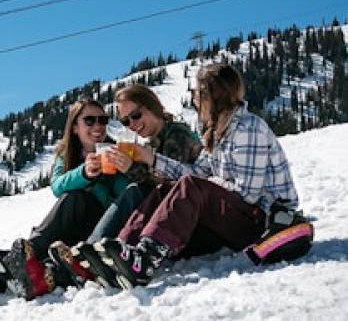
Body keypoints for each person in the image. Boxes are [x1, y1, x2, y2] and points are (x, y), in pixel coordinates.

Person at [95, 63, 299, 289]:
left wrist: (205, 185)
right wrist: (153, 159)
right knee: (166, 188)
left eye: (196, 93)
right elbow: (194, 172)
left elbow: (248, 194)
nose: (193, 99)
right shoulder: (218, 133)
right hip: (238, 216)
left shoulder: (247, 128)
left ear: (212, 96)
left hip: (263, 222)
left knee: (192, 185)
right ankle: (122, 250)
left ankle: (146, 258)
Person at [0, 98, 131, 312]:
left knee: (75, 199)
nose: (98, 126)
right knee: (37, 248)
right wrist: (84, 173)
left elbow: (123, 199)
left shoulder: (116, 153)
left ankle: (17, 257)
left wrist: (116, 173)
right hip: (69, 230)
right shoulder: (67, 154)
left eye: (103, 120)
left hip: (98, 229)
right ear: (75, 127)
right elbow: (57, 186)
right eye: (89, 120)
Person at [53, 84, 201, 287]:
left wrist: (130, 169)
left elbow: (171, 187)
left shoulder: (176, 135)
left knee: (135, 192)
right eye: (125, 121)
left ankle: (88, 256)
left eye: (136, 115)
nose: (132, 124)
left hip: (184, 225)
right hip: (167, 224)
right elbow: (57, 185)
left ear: (152, 106)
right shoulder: (154, 141)